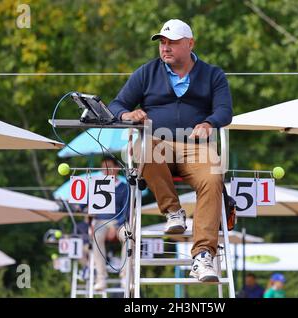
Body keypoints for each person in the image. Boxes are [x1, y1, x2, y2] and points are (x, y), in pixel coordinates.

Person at [109, 19, 233, 282]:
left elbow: (225, 110)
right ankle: (173, 211)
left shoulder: (213, 74)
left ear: (190, 44)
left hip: (197, 146)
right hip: (158, 145)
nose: (165, 48)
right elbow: (116, 104)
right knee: (143, 145)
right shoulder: (146, 72)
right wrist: (128, 113)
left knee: (213, 178)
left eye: (173, 43)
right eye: (162, 43)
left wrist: (210, 122)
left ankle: (202, 256)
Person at [92, 157, 130, 291]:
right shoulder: (96, 185)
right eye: (103, 168)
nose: (105, 170)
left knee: (128, 236)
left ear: (117, 168)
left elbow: (127, 210)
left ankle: (125, 275)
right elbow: (88, 206)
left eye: (108, 166)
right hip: (101, 221)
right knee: (96, 236)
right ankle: (101, 278)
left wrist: (116, 224)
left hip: (119, 222)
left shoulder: (125, 187)